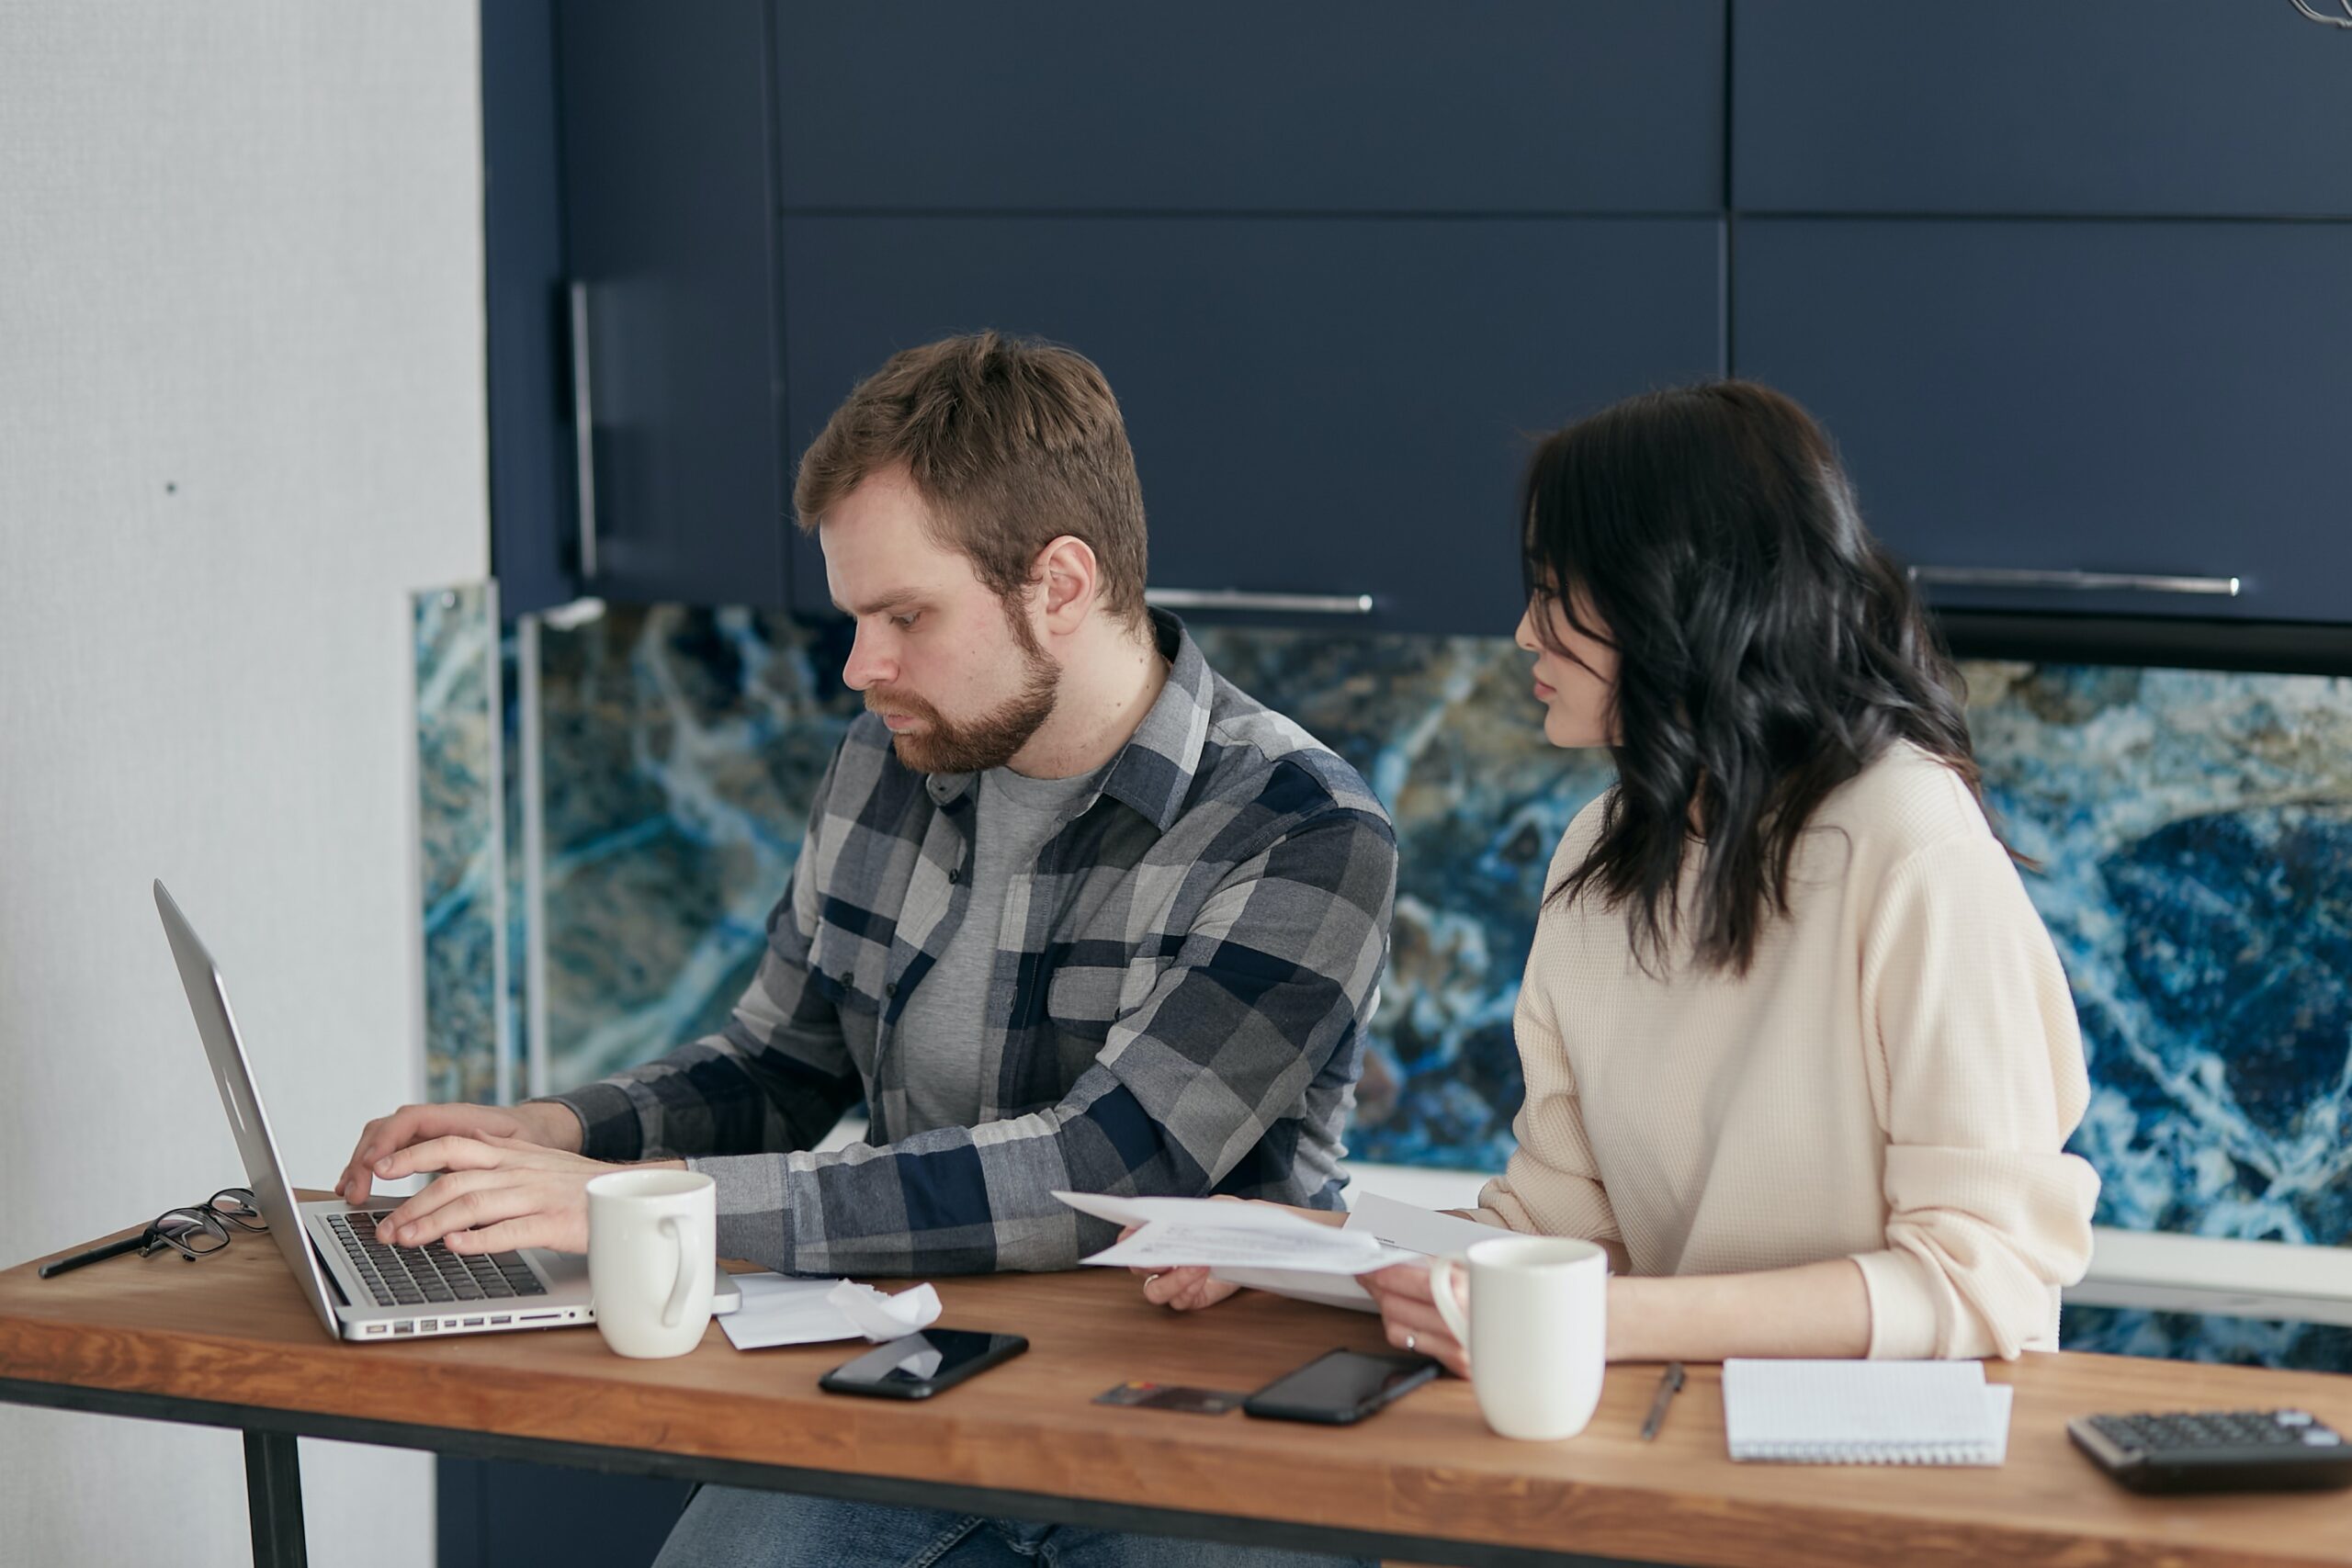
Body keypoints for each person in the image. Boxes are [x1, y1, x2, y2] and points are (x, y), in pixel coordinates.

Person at [338, 333, 1396, 1567]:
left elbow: (1110, 1166)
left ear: (1060, 584)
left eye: (905, 615)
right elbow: (780, 1063)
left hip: (1198, 1407)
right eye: (855, 616)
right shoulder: (894, 756)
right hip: (930, 1371)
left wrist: (652, 1203)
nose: (861, 667)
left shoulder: (1301, 826)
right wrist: (556, 1135)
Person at [1144, 379, 2101, 1373]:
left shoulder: (1908, 838)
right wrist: (1294, 1248)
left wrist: (1604, 1324)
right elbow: (1557, 1229)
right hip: (1677, 1440)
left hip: (1894, 1477)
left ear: (1676, 596)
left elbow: (1983, 1273)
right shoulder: (1598, 852)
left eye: (1557, 593)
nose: (1524, 632)